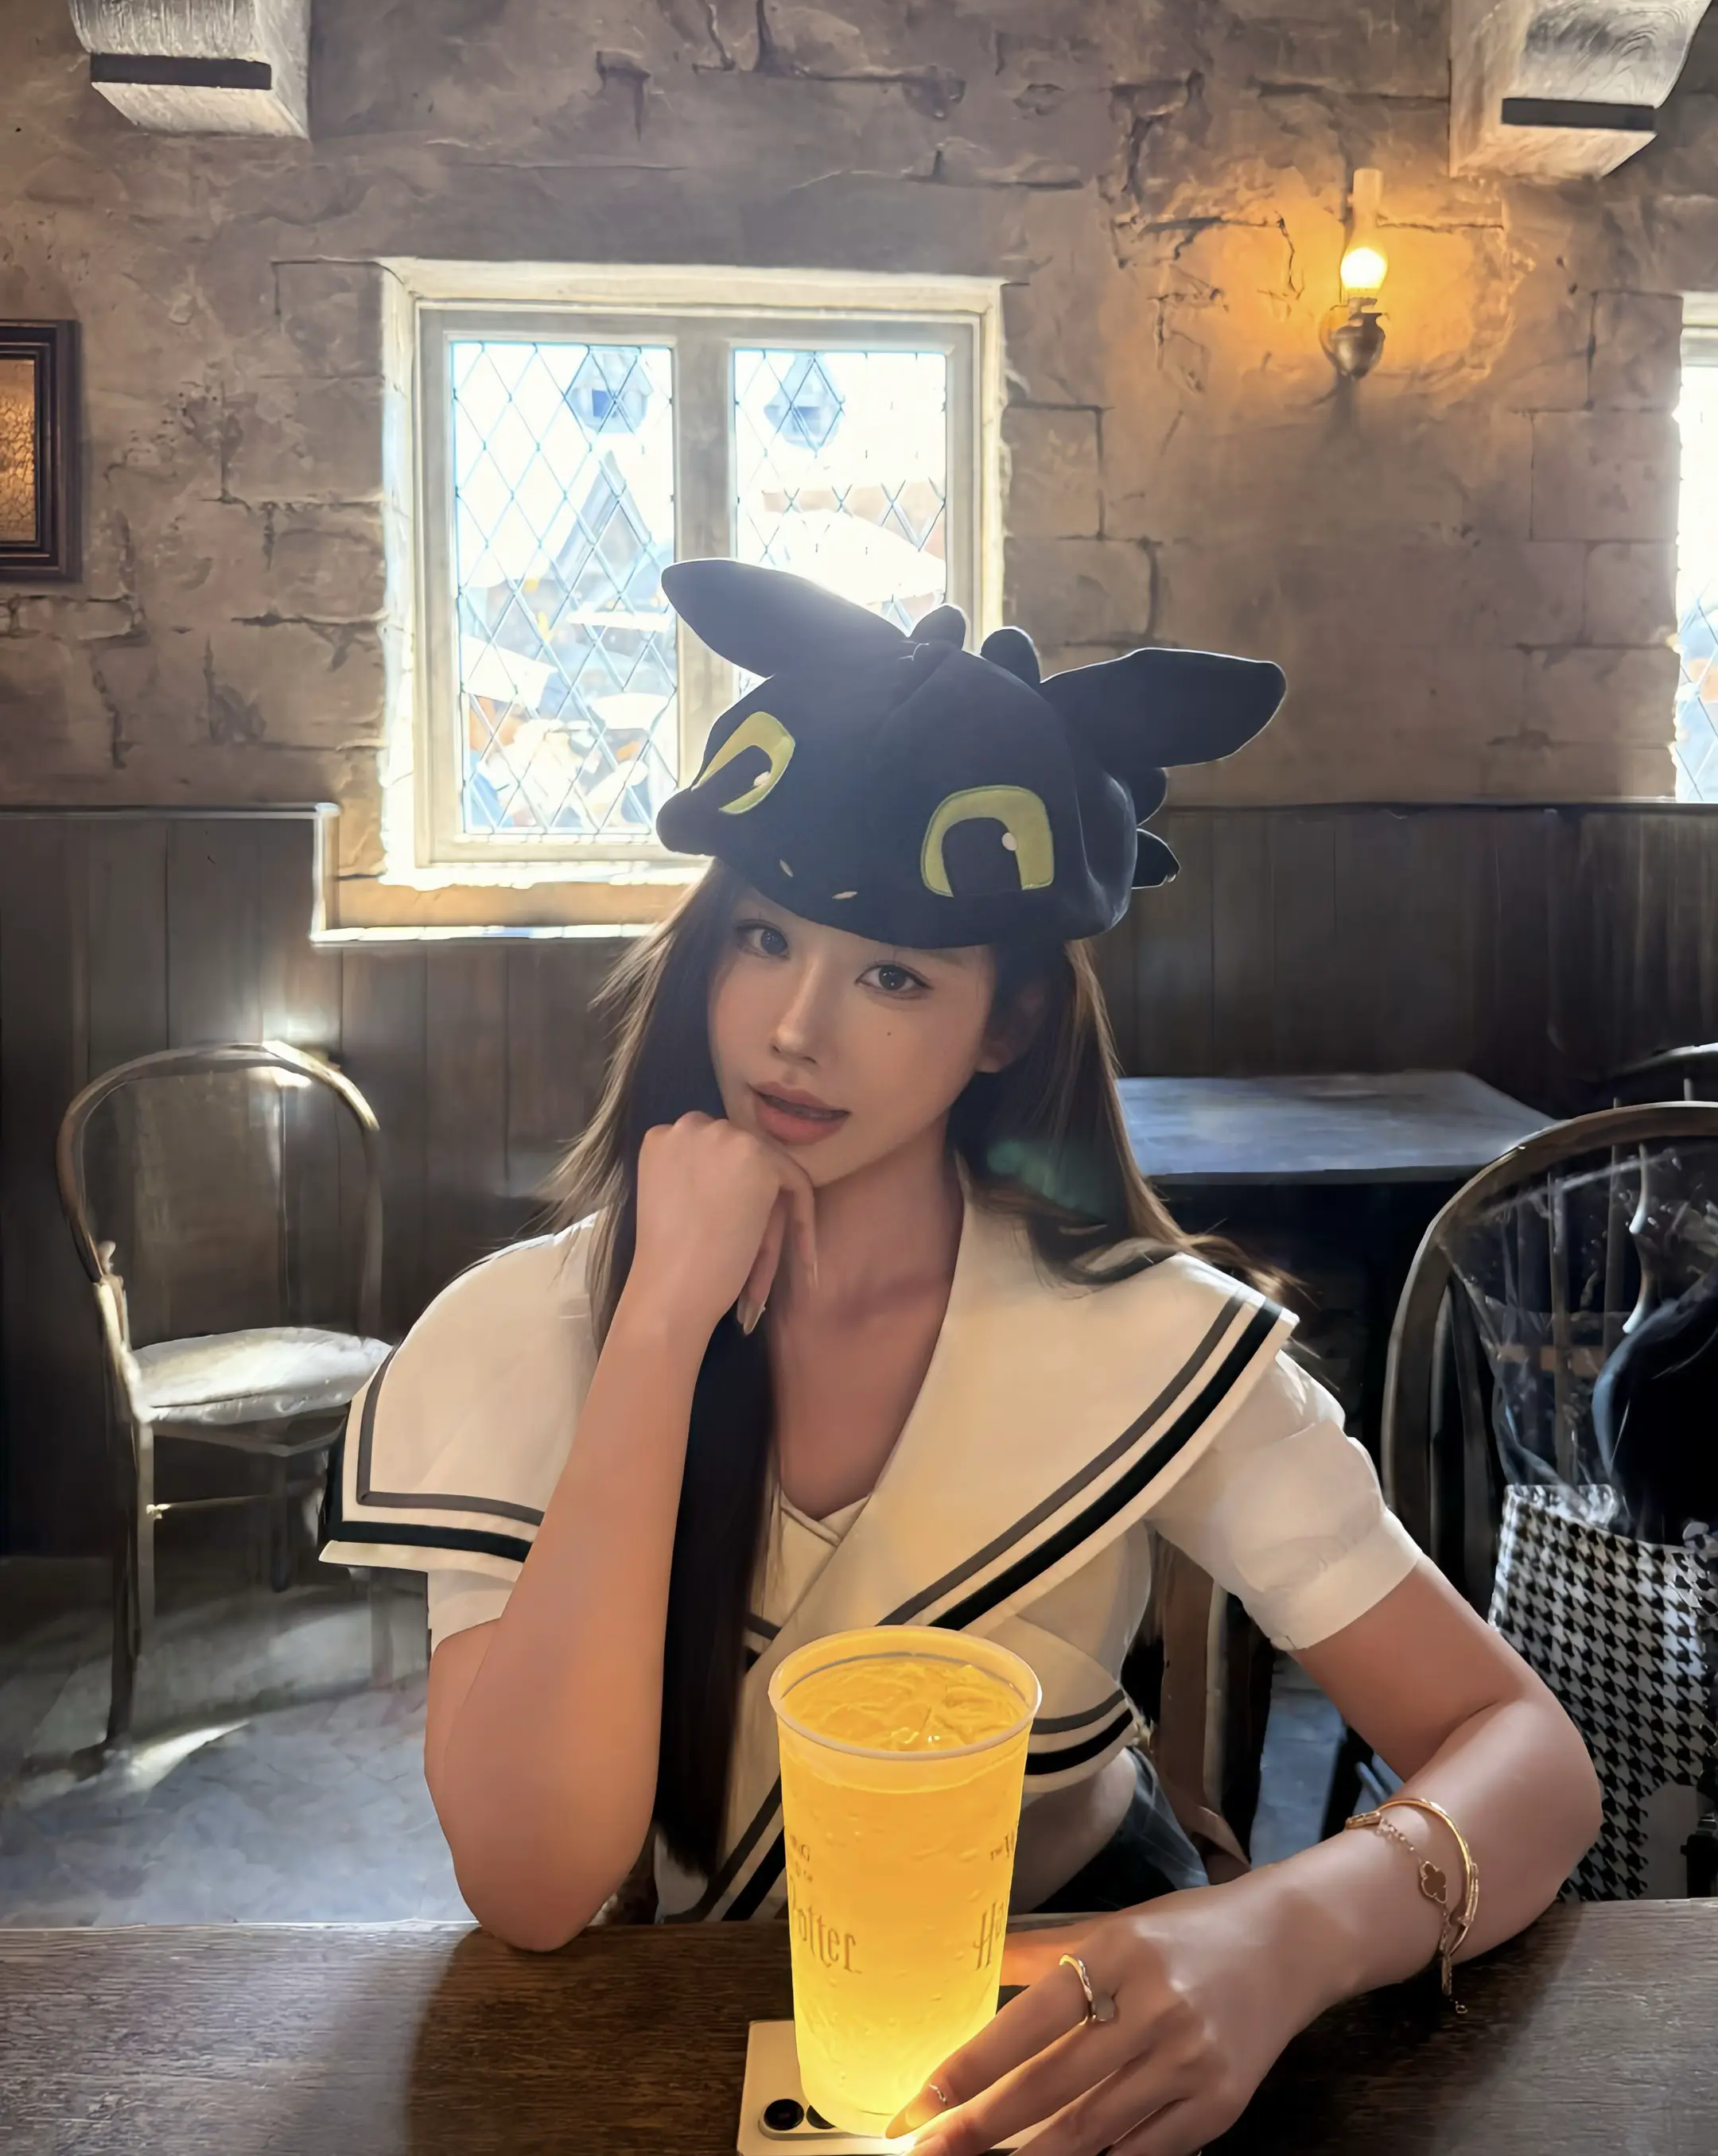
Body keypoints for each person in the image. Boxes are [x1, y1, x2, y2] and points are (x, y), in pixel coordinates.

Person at [323, 561, 1599, 2156]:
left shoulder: (1151, 1339)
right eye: (764, 936)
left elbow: (1530, 1761)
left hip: (1061, 2047)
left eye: (893, 975)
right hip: (648, 2057)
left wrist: (1281, 1932)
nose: (794, 1030)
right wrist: (656, 1329)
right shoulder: (525, 1331)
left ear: (1008, 1023)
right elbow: (530, 1884)